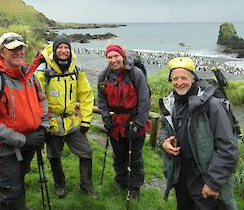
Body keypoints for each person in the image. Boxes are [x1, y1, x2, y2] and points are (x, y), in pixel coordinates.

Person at [0, 32, 48, 210]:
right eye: (12, 49)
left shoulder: (30, 76)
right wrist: (24, 139)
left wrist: (43, 128)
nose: (19, 52)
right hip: (7, 149)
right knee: (10, 193)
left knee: (19, 181)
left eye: (21, 48)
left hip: (30, 142)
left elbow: (43, 101)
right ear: (1, 52)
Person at [158, 57, 239, 210]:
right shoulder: (171, 104)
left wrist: (213, 183)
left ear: (193, 78)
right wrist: (163, 141)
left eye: (184, 78)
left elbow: (228, 148)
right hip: (181, 175)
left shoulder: (211, 105)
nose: (179, 82)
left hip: (204, 176)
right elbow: (164, 126)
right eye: (175, 78)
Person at [36, 34, 97, 199]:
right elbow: (36, 99)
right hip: (52, 123)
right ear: (54, 50)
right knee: (54, 156)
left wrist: (85, 120)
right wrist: (41, 124)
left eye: (66, 47)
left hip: (72, 122)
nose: (63, 51)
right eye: (60, 48)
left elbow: (86, 95)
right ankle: (60, 184)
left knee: (86, 153)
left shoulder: (76, 70)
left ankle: (87, 186)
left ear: (70, 50)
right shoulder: (43, 72)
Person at [97, 44, 150, 199]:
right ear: (107, 58)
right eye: (110, 57)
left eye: (116, 56)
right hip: (115, 124)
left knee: (135, 157)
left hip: (134, 122)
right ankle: (121, 182)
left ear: (122, 56)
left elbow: (144, 100)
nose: (114, 60)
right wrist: (106, 117)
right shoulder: (103, 76)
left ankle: (134, 188)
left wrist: (139, 124)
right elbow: (101, 99)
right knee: (119, 155)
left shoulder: (136, 74)